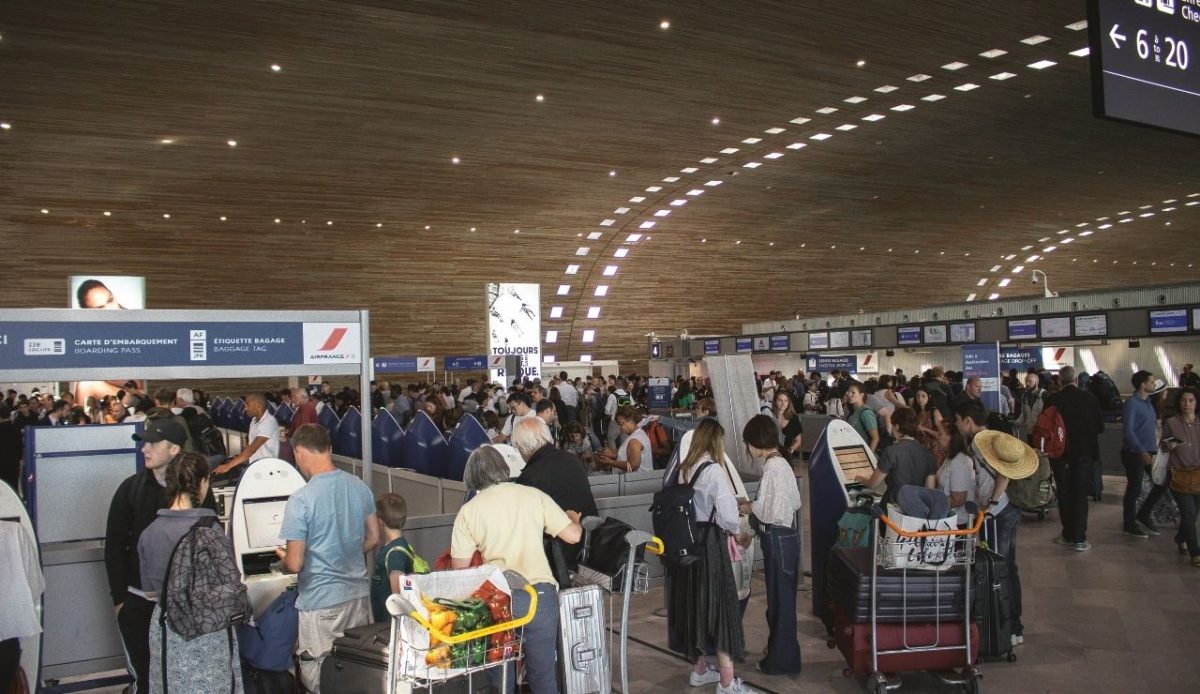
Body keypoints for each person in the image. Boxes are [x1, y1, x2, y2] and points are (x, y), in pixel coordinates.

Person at [451, 445, 583, 694]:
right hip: (540, 596)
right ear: (502, 467)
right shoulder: (533, 495)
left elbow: (460, 568)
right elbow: (573, 536)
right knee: (543, 676)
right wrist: (573, 519)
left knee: (501, 678)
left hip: (498, 599)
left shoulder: (468, 511)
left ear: (472, 475)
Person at [275, 425, 379, 693]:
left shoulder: (301, 500)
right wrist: (345, 553)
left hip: (321, 603)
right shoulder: (359, 487)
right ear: (329, 449)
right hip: (358, 598)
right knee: (356, 672)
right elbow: (374, 538)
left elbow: (295, 564)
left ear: (298, 452)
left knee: (321, 676)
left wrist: (282, 560)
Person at [139, 452, 244, 692]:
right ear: (203, 483)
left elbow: (150, 593)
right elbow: (230, 586)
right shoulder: (211, 531)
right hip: (208, 631)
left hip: (166, 630)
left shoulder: (149, 533)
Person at [665, 418, 753, 694]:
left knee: (697, 607)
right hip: (711, 544)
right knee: (722, 610)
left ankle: (700, 670)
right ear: (715, 440)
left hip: (689, 543)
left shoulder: (685, 469)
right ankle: (727, 683)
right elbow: (728, 515)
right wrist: (738, 532)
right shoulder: (714, 470)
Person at [105, 419, 189, 693]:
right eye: (144, 443)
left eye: (153, 443)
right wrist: (120, 600)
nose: (145, 449)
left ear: (174, 449)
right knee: (145, 676)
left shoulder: (193, 491)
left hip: (182, 604)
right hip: (138, 602)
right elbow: (115, 545)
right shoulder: (130, 489)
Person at [955, 401, 1029, 646]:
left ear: (968, 421)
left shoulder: (980, 443)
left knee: (1001, 569)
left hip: (998, 512)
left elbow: (1003, 474)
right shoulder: (989, 438)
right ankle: (1013, 626)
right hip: (1007, 509)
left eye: (958, 420)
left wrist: (990, 504)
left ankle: (1009, 628)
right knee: (1008, 567)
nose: (956, 425)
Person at [738, 415, 802, 676]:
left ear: (756, 442)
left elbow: (768, 510)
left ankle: (781, 661)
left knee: (780, 604)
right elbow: (794, 501)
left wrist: (749, 507)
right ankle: (781, 653)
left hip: (777, 539)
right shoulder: (781, 463)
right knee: (782, 602)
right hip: (786, 539)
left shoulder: (773, 467)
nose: (748, 448)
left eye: (747, 442)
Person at [512, 417, 598, 572]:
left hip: (559, 559)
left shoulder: (530, 477)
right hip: (590, 546)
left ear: (522, 448)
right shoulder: (571, 459)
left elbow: (524, 529)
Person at [1043, 366, 1104, 551]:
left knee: (1064, 492)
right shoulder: (1089, 398)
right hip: (1084, 454)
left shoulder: (1053, 399)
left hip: (1060, 455)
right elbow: (1100, 427)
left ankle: (1067, 533)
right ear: (1076, 379)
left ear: (1060, 380)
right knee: (1080, 493)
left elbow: (1045, 427)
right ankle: (1079, 538)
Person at [854, 408, 936, 505]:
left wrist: (860, 479)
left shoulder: (891, 451)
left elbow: (873, 484)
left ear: (897, 427)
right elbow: (930, 489)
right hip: (916, 507)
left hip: (893, 505)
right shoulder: (927, 454)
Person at [1122, 370, 1167, 538]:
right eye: (1152, 382)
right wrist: (1141, 450)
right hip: (1135, 453)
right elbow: (1128, 431)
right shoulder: (1132, 404)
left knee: (1161, 483)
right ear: (1143, 384)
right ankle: (1129, 523)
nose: (1154, 384)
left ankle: (1143, 514)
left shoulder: (1147, 402)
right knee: (1134, 488)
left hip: (1151, 451)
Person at [1163, 388, 1200, 567]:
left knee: (1193, 515)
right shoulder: (1172, 423)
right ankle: (1195, 553)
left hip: (1198, 475)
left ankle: (1180, 538)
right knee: (1189, 512)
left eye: (1191, 400)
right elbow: (1162, 446)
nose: (1187, 404)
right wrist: (1167, 446)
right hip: (1179, 475)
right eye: (1184, 400)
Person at [370, 493, 420, 622]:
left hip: (390, 625)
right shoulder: (397, 546)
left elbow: (398, 598)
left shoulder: (395, 554)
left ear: (380, 521)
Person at [213, 393, 279, 477]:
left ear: (258, 405)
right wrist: (237, 459)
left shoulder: (268, 422)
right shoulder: (254, 421)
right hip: (256, 467)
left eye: (248, 405)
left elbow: (252, 449)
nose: (245, 409)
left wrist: (228, 466)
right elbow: (250, 446)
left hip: (267, 470)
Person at [936, 428, 977, 526]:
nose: (938, 436)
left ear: (951, 438)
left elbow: (958, 499)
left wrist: (934, 502)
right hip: (947, 516)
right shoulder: (950, 458)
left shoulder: (960, 461)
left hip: (958, 520)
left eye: (941, 433)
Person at [595, 406, 651, 473]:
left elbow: (633, 466)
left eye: (621, 424)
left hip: (637, 478)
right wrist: (614, 455)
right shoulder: (638, 433)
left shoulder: (634, 440)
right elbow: (631, 456)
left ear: (631, 421)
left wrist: (610, 462)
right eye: (618, 424)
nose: (619, 428)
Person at [845, 384, 880, 452]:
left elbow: (875, 438)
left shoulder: (866, 413)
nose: (849, 394)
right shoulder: (853, 412)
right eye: (848, 392)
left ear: (862, 395)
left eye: (853, 392)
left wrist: (869, 455)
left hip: (862, 454)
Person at [771, 392, 803, 458]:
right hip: (769, 455)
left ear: (788, 403)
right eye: (780, 400)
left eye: (785, 401)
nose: (783, 403)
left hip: (785, 456)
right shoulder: (770, 416)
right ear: (775, 402)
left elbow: (798, 441)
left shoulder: (794, 419)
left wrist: (788, 452)